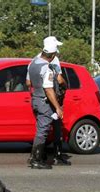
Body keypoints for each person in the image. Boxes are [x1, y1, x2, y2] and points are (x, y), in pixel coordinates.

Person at [27, 36, 71, 166]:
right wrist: (58, 107)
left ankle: (37, 157)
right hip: (45, 102)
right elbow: (49, 89)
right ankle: (36, 159)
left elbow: (28, 82)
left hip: (36, 99)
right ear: (52, 55)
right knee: (42, 130)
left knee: (41, 129)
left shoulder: (33, 63)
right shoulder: (48, 67)